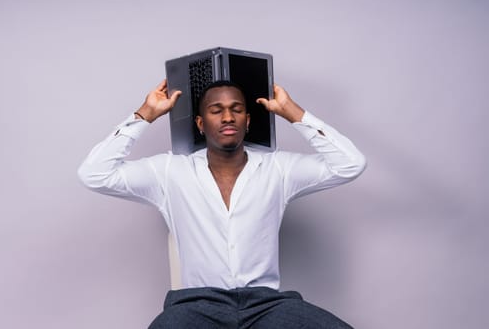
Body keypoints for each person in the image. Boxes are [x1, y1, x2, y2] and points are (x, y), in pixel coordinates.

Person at [78, 78, 366, 328]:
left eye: (236, 110)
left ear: (248, 120)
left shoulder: (278, 169)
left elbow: (350, 164)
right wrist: (145, 115)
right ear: (201, 124)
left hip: (265, 306)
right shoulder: (170, 172)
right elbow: (94, 174)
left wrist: (293, 113)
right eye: (216, 111)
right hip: (197, 306)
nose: (228, 117)